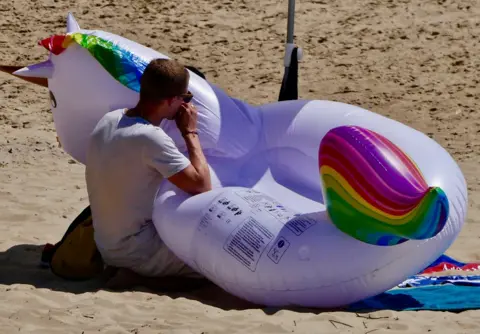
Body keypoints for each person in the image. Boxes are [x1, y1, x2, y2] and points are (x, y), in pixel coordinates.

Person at [85, 58, 212, 291]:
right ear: (172, 100)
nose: (186, 105)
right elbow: (202, 186)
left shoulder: (109, 119)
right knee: (215, 263)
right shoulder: (149, 138)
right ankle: (142, 279)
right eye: (185, 99)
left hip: (106, 243)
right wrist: (190, 132)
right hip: (137, 250)